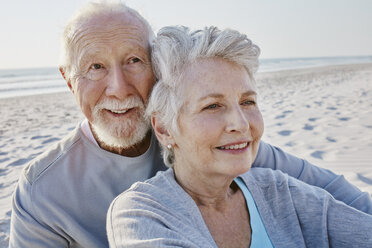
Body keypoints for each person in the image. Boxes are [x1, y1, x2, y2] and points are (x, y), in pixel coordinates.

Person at [9, 2, 371, 248]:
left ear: (158, 69)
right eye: (95, 67)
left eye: (134, 60)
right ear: (69, 80)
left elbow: (341, 198)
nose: (118, 88)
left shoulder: (215, 145)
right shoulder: (43, 192)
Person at [106, 26, 372, 247]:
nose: (241, 123)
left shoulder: (280, 192)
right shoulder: (141, 213)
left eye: (247, 102)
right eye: (212, 106)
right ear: (164, 128)